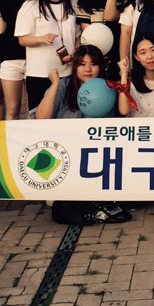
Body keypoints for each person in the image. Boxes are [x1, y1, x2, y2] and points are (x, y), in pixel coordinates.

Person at [34, 45, 131, 224]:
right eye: (82, 64)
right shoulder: (64, 85)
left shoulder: (108, 87)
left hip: (97, 159)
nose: (88, 69)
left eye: (93, 64)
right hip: (66, 159)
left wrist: (124, 74)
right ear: (75, 66)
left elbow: (124, 111)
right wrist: (54, 84)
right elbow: (41, 117)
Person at [15, 0, 79, 111]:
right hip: (40, 74)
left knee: (66, 116)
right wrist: (41, 39)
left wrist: (76, 53)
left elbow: (76, 36)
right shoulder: (31, 5)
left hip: (68, 73)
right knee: (40, 118)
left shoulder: (71, 4)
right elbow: (22, 39)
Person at [0, 0, 34, 119]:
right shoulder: (4, 2)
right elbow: (0, 30)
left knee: (32, 109)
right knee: (12, 109)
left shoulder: (39, 1)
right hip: (11, 60)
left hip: (35, 59)